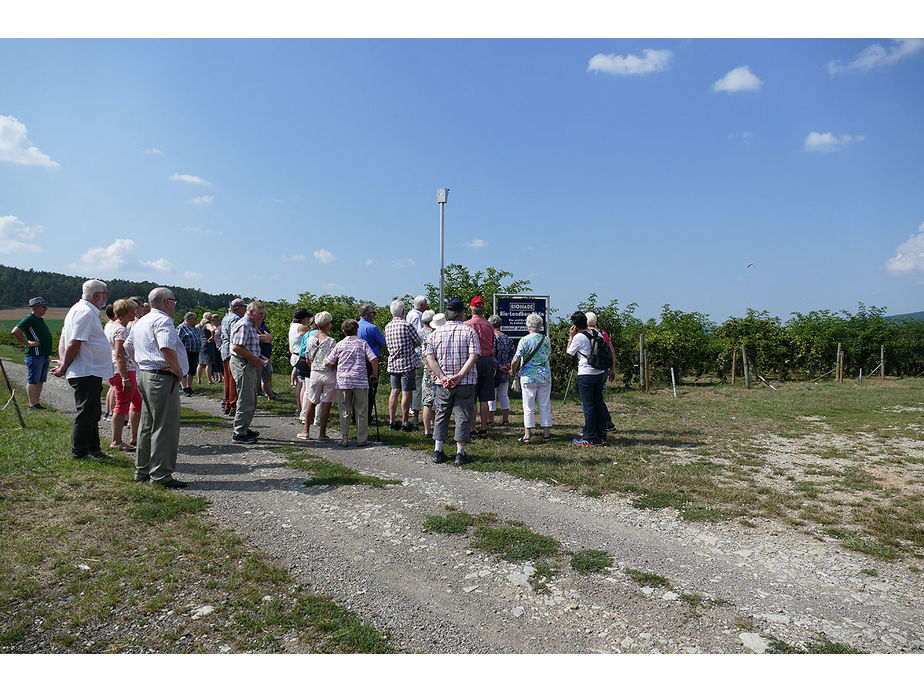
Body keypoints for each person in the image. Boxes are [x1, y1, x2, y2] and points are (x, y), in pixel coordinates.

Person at [125, 288, 188, 487]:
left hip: (145, 375)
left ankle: (142, 469)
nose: (175, 304)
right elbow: (166, 347)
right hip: (160, 376)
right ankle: (161, 475)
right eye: (174, 300)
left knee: (147, 425)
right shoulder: (163, 321)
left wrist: (141, 364)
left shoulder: (141, 320)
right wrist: (177, 370)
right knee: (165, 427)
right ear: (167, 302)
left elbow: (128, 346)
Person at [52, 280, 114, 460]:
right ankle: (80, 452)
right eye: (105, 294)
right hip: (86, 370)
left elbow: (64, 338)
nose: (106, 298)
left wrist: (64, 361)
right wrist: (64, 365)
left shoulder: (78, 310)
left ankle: (93, 448)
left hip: (89, 369)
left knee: (93, 412)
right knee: (87, 412)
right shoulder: (86, 312)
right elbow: (74, 342)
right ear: (96, 295)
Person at [425, 298, 480, 466]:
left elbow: (429, 357)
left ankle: (438, 450)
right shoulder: (469, 332)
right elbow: (474, 355)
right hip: (465, 381)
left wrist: (441, 376)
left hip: (444, 383)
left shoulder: (435, 333)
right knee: (463, 415)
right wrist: (461, 375)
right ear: (461, 314)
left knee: (442, 414)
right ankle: (460, 453)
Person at [325, 318, 379, 447]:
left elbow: (328, 362)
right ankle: (362, 438)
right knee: (361, 410)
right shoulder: (363, 344)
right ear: (357, 330)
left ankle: (345, 438)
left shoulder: (340, 345)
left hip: (344, 381)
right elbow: (374, 359)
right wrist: (374, 374)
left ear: (343, 331)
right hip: (360, 381)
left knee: (345, 410)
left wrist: (336, 366)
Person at [229, 301, 270, 444]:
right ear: (251, 312)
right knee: (246, 399)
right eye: (260, 314)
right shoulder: (245, 325)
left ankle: (244, 428)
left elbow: (247, 346)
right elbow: (237, 348)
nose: (262, 317)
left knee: (251, 397)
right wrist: (256, 359)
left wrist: (259, 357)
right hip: (243, 364)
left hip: (248, 363)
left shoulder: (251, 325)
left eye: (264, 314)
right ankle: (239, 433)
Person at [566, 310, 608, 446]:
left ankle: (589, 437)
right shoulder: (597, 333)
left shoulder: (578, 337)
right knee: (598, 403)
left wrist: (571, 337)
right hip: (599, 373)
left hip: (586, 374)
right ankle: (601, 435)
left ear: (575, 325)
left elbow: (569, 354)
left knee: (588, 406)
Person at [106, 299, 142, 451]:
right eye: (134, 310)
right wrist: (125, 377)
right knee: (122, 406)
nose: (136, 313)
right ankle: (116, 440)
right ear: (127, 312)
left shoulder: (112, 326)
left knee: (137, 401)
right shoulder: (121, 330)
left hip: (119, 369)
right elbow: (120, 355)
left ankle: (135, 437)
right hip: (123, 371)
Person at [295, 311, 337, 442]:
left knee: (311, 402)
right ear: (327, 324)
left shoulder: (309, 339)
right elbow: (334, 359)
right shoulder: (331, 341)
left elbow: (307, 358)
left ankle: (306, 431)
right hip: (328, 373)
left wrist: (313, 366)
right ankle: (322, 434)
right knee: (326, 404)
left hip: (314, 373)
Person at [511, 313, 552, 443]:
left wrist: (513, 370)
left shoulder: (524, 340)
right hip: (544, 375)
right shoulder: (546, 340)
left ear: (528, 325)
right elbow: (548, 357)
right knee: (545, 404)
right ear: (540, 326)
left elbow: (516, 359)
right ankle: (546, 433)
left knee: (528, 406)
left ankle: (528, 434)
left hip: (528, 377)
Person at [10, 296, 53, 409]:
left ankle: (36, 403)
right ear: (36, 307)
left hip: (43, 354)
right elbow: (15, 332)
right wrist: (28, 343)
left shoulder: (39, 319)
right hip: (35, 354)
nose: (46, 308)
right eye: (43, 306)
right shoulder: (29, 319)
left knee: (40, 380)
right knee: (33, 379)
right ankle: (32, 404)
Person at [384, 299, 421, 431]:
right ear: (403, 312)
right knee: (406, 392)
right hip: (407, 363)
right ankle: (405, 422)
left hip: (393, 362)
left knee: (394, 391)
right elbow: (417, 341)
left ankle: (392, 420)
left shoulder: (388, 327)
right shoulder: (407, 326)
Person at [464, 296, 496, 437]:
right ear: (483, 309)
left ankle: (472, 428)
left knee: (472, 396)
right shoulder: (490, 325)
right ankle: (484, 427)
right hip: (487, 360)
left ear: (471, 309)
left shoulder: (466, 325)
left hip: (472, 361)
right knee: (484, 398)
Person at [585, 311, 618, 431]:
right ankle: (606, 423)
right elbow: (612, 352)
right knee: (598, 398)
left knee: (590, 400)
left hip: (589, 370)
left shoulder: (585, 334)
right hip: (603, 369)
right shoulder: (603, 334)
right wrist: (612, 369)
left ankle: (596, 426)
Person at [357, 303, 386, 426]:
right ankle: (367, 418)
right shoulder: (373, 328)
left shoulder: (355, 326)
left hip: (357, 361)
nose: (374, 316)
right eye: (373, 313)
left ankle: (356, 416)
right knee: (370, 390)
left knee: (357, 390)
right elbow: (384, 344)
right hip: (370, 362)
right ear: (369, 315)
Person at [487, 314, 515, 427]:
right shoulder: (507, 338)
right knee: (504, 395)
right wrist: (507, 365)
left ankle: (490, 420)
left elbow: (490, 354)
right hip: (505, 370)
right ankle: (505, 419)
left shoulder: (492, 338)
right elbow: (513, 354)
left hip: (493, 371)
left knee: (491, 396)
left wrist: (498, 366)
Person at [221, 298, 247, 416]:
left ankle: (227, 404)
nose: (245, 309)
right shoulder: (236, 319)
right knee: (233, 380)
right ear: (237, 308)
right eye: (243, 307)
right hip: (232, 352)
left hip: (224, 350)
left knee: (227, 380)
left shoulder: (226, 317)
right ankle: (233, 405)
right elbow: (234, 336)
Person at [406, 295, 428, 424]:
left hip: (412, 354)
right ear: (422, 305)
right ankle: (422, 411)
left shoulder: (409, 314)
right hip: (420, 354)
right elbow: (420, 335)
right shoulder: (419, 316)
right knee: (423, 385)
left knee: (415, 385)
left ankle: (413, 409)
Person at [417, 310, 438, 437]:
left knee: (427, 402)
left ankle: (427, 431)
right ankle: (437, 428)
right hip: (440, 371)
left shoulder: (425, 335)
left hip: (427, 370)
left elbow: (424, 355)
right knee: (439, 402)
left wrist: (430, 369)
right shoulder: (438, 334)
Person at [288, 308, 311, 419]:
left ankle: (299, 407)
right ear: (303, 318)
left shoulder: (292, 325)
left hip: (294, 355)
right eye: (307, 317)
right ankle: (303, 409)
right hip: (300, 356)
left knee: (299, 383)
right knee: (303, 384)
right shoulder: (302, 327)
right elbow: (312, 337)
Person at [177, 311, 202, 396]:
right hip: (185, 352)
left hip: (194, 352)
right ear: (189, 319)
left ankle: (189, 387)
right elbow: (177, 340)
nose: (196, 320)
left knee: (191, 370)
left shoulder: (194, 328)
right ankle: (184, 388)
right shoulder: (181, 327)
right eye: (195, 319)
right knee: (184, 370)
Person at [256, 319, 277, 400]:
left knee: (266, 378)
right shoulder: (251, 329)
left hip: (266, 357)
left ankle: (270, 395)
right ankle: (256, 393)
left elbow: (270, 338)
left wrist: (264, 337)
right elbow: (260, 338)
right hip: (258, 356)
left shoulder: (261, 329)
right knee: (256, 377)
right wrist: (264, 337)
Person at [196, 312, 215, 384]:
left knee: (200, 363)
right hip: (208, 343)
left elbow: (194, 329)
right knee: (208, 363)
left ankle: (198, 380)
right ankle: (209, 380)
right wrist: (212, 337)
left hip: (201, 343)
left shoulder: (200, 325)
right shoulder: (208, 324)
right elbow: (212, 330)